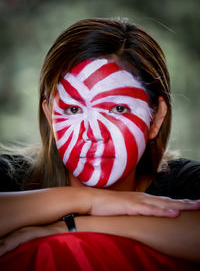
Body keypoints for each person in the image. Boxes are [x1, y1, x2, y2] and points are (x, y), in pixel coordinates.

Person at [0, 18, 200, 264]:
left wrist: (70, 227)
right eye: (73, 110)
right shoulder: (9, 176)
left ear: (155, 118)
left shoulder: (184, 183)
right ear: (50, 115)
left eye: (118, 108)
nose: (93, 133)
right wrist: (87, 200)